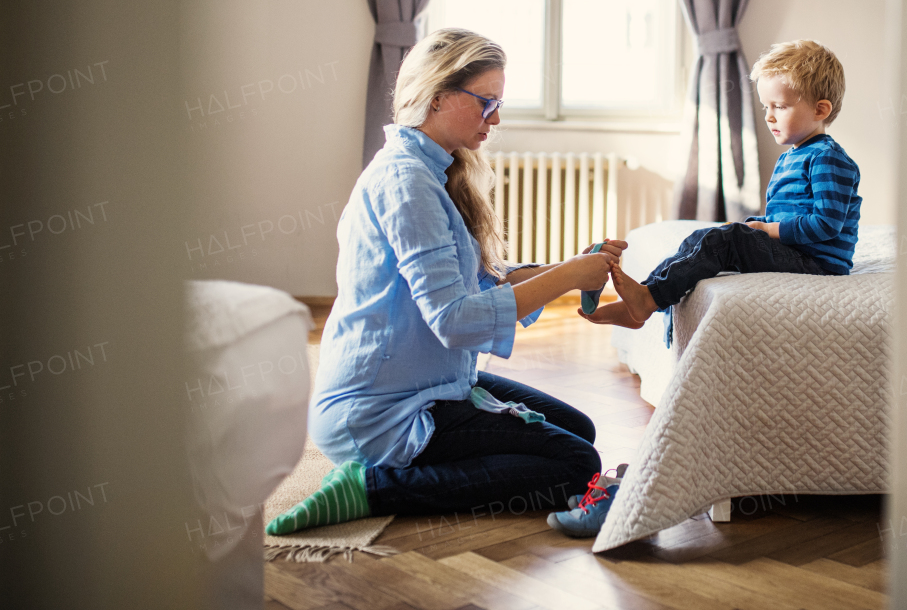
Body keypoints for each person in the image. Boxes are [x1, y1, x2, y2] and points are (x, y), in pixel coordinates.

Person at [267, 28, 629, 535]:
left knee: (578, 430)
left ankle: (402, 473)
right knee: (576, 463)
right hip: (381, 411)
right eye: (486, 103)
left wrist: (565, 267)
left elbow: (481, 282)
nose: (496, 119)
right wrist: (569, 277)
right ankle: (373, 488)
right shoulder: (407, 182)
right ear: (437, 97)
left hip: (424, 382)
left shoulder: (429, 171)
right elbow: (456, 321)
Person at [588, 39, 861, 332]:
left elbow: (826, 224)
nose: (769, 116)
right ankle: (648, 298)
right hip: (797, 251)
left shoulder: (828, 158)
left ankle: (648, 299)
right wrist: (759, 226)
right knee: (704, 237)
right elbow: (785, 216)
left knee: (725, 240)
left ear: (820, 110)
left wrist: (767, 230)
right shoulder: (791, 156)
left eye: (779, 106)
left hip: (817, 263)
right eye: (766, 106)